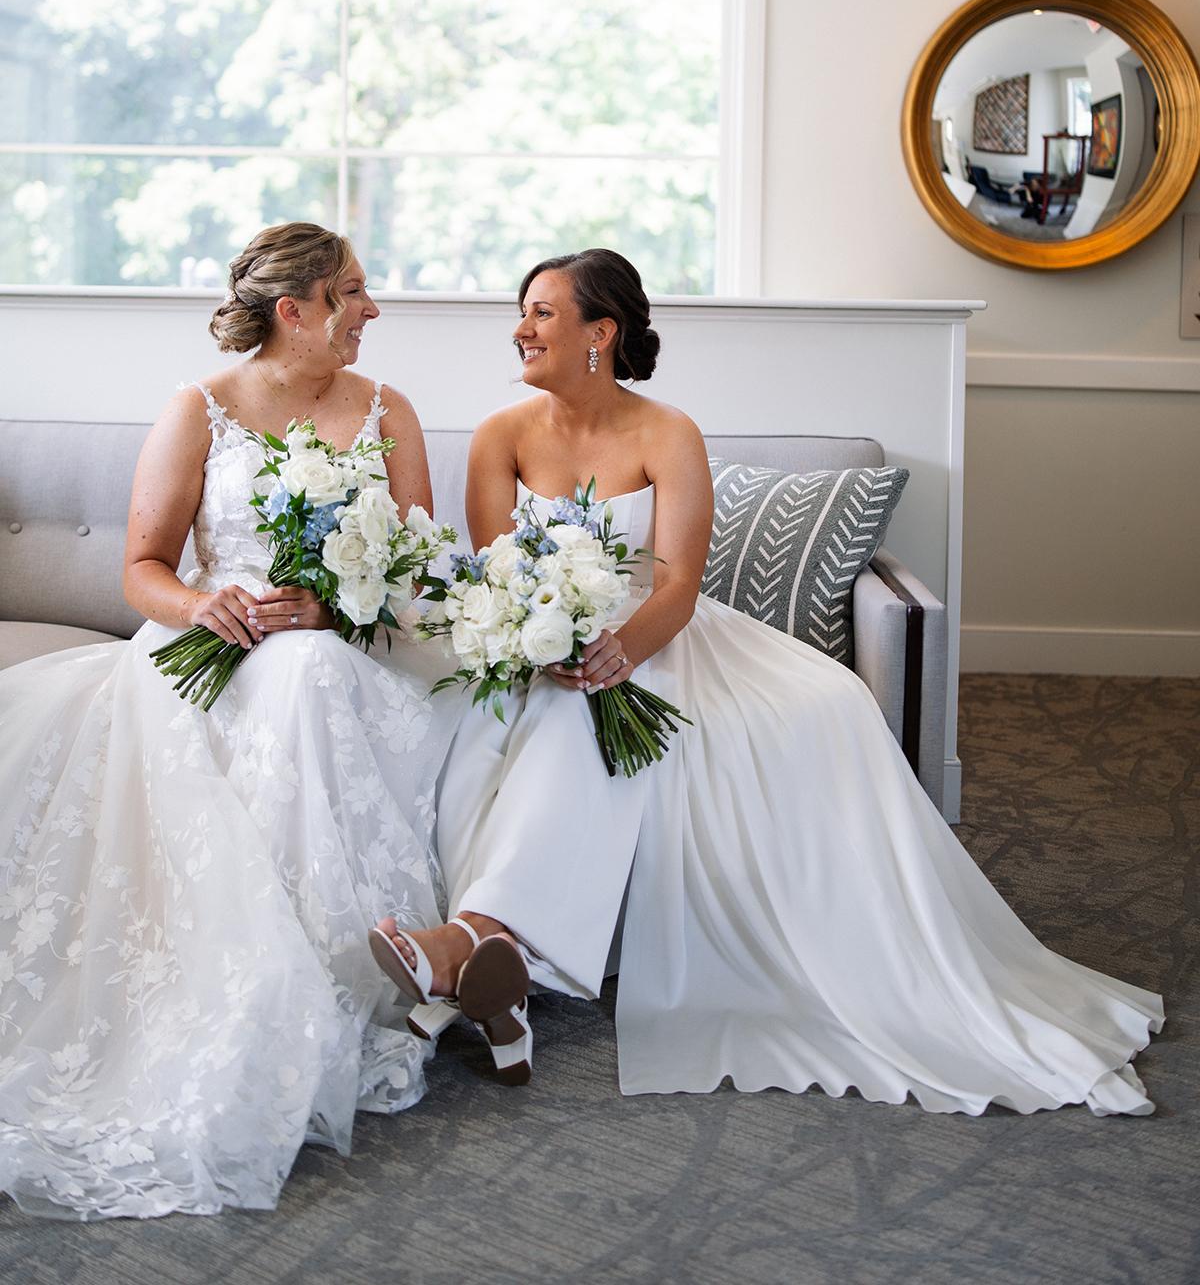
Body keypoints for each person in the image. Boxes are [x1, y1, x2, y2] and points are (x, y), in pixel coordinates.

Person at [371, 247, 1163, 1115]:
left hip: (658, 635)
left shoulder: (667, 432)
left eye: (542, 313)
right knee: (525, 717)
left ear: (601, 331)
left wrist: (618, 650)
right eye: (520, 313)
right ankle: (494, 964)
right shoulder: (501, 435)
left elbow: (675, 582)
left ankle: (471, 951)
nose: (520, 329)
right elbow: (499, 573)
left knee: (605, 714)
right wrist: (546, 640)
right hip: (539, 642)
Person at [0, 223, 461, 1220]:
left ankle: (329, 971)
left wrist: (338, 607)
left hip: (343, 656)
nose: (373, 310)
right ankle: (247, 978)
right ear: (296, 310)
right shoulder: (199, 410)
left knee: (312, 677)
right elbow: (143, 568)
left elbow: (418, 568)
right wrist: (201, 605)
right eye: (355, 292)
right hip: (211, 647)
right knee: (282, 678)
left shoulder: (389, 411)